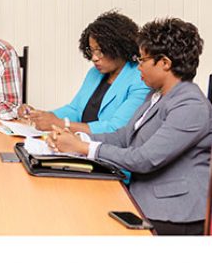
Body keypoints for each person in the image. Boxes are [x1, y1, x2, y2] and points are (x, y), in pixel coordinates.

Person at [48, 18, 211, 236]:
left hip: (172, 214)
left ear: (165, 63)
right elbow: (124, 136)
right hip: (141, 195)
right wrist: (77, 140)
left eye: (142, 60)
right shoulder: (156, 95)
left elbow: (144, 159)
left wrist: (84, 148)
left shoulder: (190, 105)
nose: (138, 66)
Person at [18, 11, 149, 133]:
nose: (94, 58)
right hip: (79, 145)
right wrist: (40, 116)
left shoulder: (141, 79)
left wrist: (60, 124)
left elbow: (115, 129)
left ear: (120, 48)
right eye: (91, 51)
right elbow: (75, 110)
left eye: (100, 51)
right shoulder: (95, 73)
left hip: (104, 151)